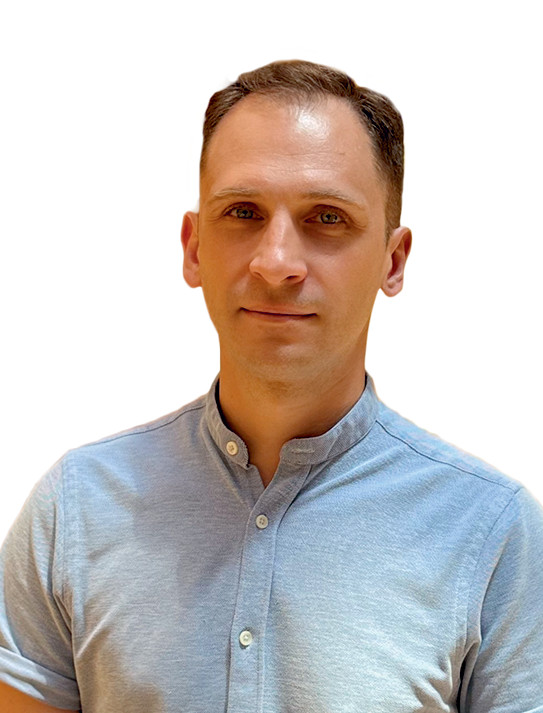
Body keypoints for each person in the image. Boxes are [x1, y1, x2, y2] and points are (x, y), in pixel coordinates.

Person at [1, 59, 542, 713]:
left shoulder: (491, 533)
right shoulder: (77, 508)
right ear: (193, 248)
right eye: (243, 211)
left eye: (327, 218)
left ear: (393, 260)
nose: (276, 262)